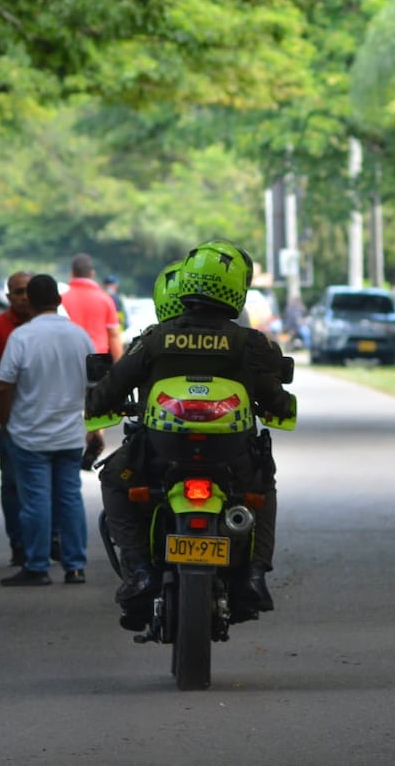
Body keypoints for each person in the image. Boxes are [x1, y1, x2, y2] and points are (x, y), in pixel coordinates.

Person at [86, 241, 295, 629]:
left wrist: (97, 405)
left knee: (115, 482)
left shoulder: (154, 339)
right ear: (236, 289)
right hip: (232, 462)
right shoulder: (248, 343)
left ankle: (139, 571)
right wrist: (280, 408)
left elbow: (111, 388)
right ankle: (254, 575)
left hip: (157, 458)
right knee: (263, 490)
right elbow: (276, 400)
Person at [0, 274, 96, 587]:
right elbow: (96, 386)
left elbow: (3, 386)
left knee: (36, 502)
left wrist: (7, 420)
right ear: (59, 300)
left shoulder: (22, 337)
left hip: (30, 435)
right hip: (69, 435)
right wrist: (93, 429)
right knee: (70, 499)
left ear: (32, 302)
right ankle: (75, 566)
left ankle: (37, 566)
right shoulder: (81, 337)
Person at [0, 271, 34, 567]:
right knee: (12, 482)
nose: (22, 297)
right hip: (7, 418)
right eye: (17, 292)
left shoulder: (47, 326)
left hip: (41, 419)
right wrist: (6, 384)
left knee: (42, 484)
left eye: (27, 291)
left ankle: (47, 540)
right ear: (8, 296)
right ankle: (19, 544)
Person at [63, 253, 124, 361]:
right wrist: (120, 369)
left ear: (72, 273)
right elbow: (114, 335)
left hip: (69, 359)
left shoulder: (61, 299)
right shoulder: (105, 300)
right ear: (92, 273)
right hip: (98, 361)